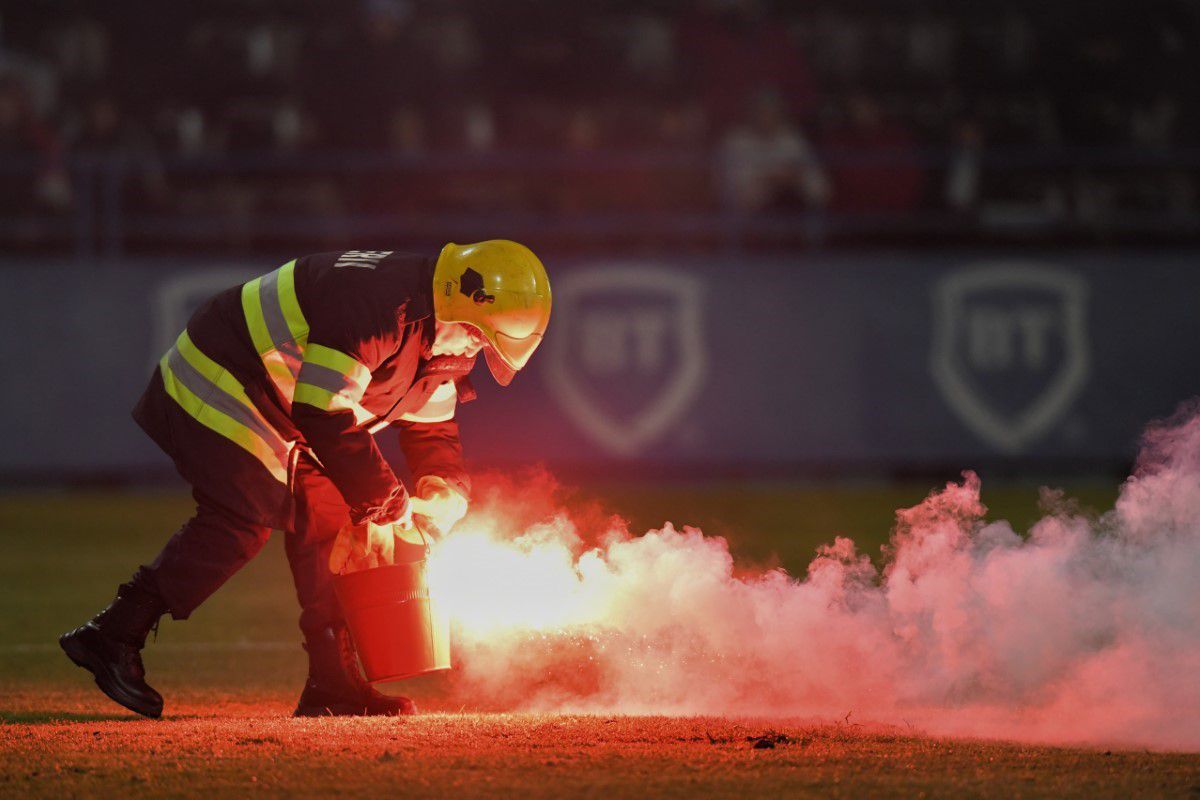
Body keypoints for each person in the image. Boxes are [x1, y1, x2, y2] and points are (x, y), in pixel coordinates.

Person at [59, 241, 552, 718]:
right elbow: (322, 410)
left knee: (335, 527)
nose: (475, 351)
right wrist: (386, 500)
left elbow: (432, 428)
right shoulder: (378, 306)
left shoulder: (443, 334)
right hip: (224, 374)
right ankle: (112, 635)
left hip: (287, 407)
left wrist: (443, 485)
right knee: (240, 520)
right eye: (479, 336)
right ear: (460, 306)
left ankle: (332, 683)